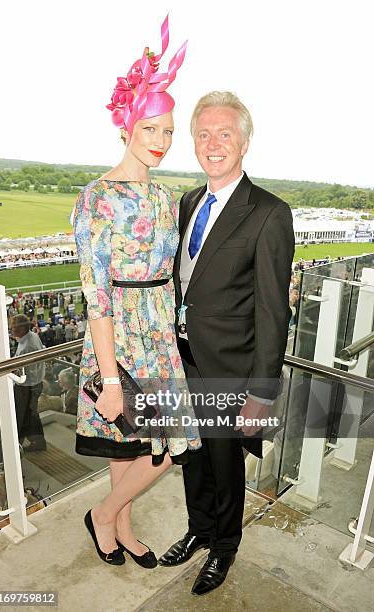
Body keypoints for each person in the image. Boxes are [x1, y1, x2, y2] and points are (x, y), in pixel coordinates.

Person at [72, 16, 200, 569]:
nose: (162, 141)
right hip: (118, 338)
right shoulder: (96, 197)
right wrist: (108, 377)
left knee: (164, 447)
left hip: (159, 336)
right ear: (126, 125)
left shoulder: (167, 198)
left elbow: (172, 274)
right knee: (133, 442)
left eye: (169, 131)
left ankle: (105, 515)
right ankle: (117, 522)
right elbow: (95, 294)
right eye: (151, 129)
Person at [159, 91, 295, 595]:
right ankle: (199, 529)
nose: (213, 144)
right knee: (192, 457)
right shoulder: (189, 201)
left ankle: (225, 546)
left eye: (225, 134)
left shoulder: (269, 213)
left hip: (229, 370)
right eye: (203, 134)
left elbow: (273, 311)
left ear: (245, 141)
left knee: (223, 461)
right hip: (183, 361)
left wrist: (261, 395)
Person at [10, 314, 47, 452]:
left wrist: (13, 371)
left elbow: (27, 372)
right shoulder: (30, 337)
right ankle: (36, 442)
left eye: (13, 328)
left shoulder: (28, 345)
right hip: (32, 384)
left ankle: (23, 444)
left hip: (28, 386)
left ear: (22, 328)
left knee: (25, 416)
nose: (11, 330)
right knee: (30, 415)